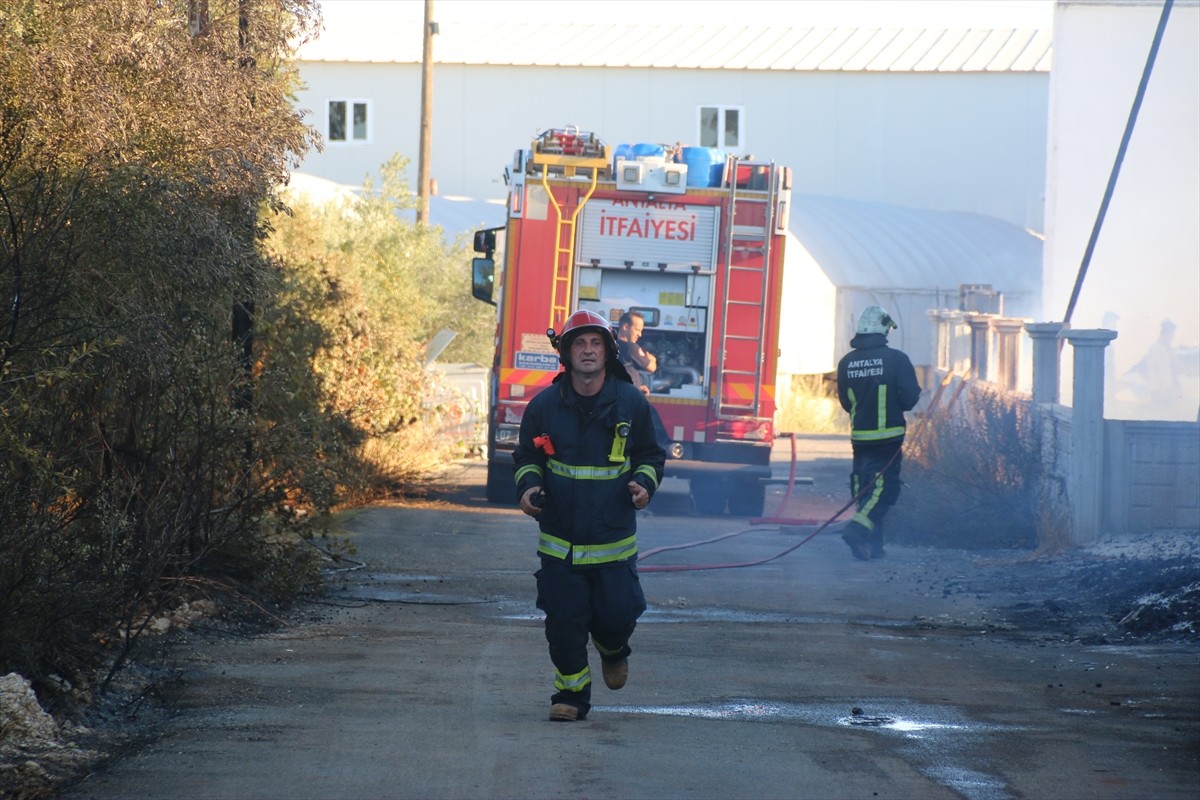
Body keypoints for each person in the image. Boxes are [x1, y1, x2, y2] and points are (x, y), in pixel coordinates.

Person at [513, 308, 666, 722]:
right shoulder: (544, 406)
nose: (587, 350)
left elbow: (651, 454)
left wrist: (643, 484)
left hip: (613, 543)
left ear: (608, 351)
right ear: (565, 352)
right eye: (578, 342)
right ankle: (571, 695)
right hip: (559, 542)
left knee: (615, 618)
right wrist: (529, 487)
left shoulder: (631, 402)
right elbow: (527, 456)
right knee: (563, 623)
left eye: (595, 342)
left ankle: (614, 649)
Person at [836, 305, 922, 561]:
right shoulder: (896, 359)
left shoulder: (846, 362)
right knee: (884, 490)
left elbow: (845, 402)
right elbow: (909, 399)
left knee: (864, 487)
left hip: (860, 438)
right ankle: (857, 530)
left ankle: (874, 545)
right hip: (888, 438)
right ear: (884, 328)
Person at [616, 311, 657, 393]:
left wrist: (638, 387)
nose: (640, 334)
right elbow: (652, 368)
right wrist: (652, 359)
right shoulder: (631, 348)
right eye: (637, 330)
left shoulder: (609, 344)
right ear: (626, 327)